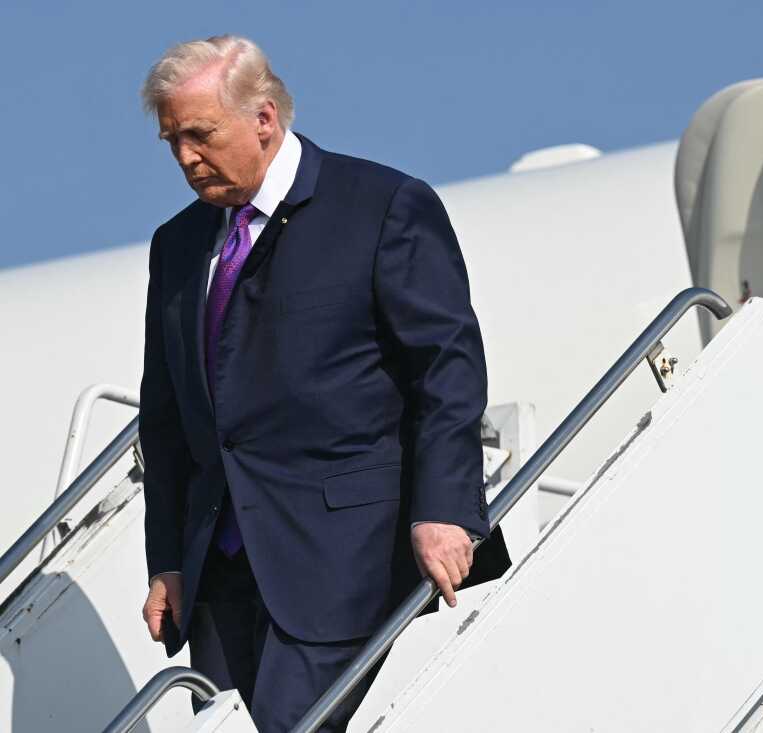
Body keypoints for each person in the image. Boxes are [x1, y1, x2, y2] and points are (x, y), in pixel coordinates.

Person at [136, 34, 509, 732]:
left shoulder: (381, 205)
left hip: (347, 559)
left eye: (200, 134)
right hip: (223, 579)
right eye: (172, 140)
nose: (185, 157)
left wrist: (446, 508)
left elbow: (447, 368)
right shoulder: (178, 245)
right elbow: (165, 421)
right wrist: (168, 560)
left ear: (264, 118)